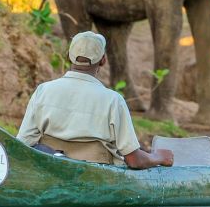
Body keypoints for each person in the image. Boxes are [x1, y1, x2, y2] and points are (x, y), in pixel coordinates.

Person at [17, 31, 174, 169]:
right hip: (97, 178)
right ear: (103, 60)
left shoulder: (43, 91)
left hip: (52, 171)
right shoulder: (113, 100)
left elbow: (22, 144)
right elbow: (134, 160)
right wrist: (158, 156)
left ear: (68, 57)